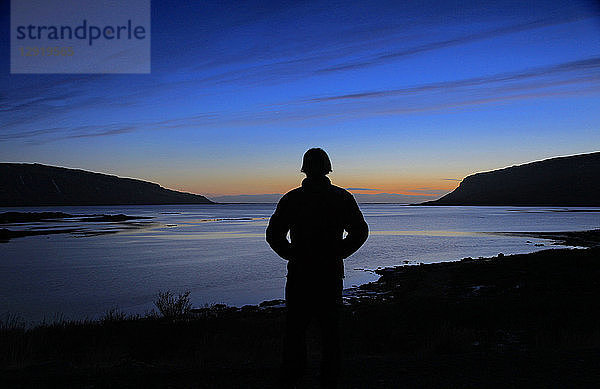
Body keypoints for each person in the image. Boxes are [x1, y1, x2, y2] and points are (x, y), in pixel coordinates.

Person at [266, 148, 368, 388]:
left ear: (306, 168)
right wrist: (338, 253)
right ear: (327, 168)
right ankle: (328, 376)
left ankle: (295, 374)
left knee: (298, 329)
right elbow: (360, 231)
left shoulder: (293, 198)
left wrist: (291, 254)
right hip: (326, 272)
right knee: (327, 329)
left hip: (303, 272)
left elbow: (274, 234)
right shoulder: (340, 197)